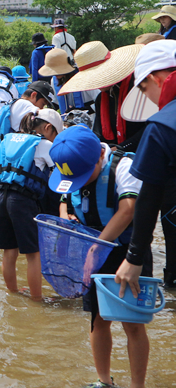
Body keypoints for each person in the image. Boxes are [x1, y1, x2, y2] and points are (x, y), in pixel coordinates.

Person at [48, 125, 148, 388]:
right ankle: (104, 381)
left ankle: (138, 385)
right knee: (97, 320)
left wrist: (95, 246)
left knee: (133, 325)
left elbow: (128, 210)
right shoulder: (71, 167)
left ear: (98, 158)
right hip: (93, 253)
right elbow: (65, 200)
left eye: (84, 175)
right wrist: (65, 217)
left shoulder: (123, 167)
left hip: (127, 255)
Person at [117, 40, 176, 295]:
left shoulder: (161, 127)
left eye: (143, 87)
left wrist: (133, 258)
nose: (147, 97)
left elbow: (148, 199)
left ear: (157, 78)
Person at [0, 109, 62, 302]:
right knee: (33, 253)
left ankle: (13, 291)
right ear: (48, 127)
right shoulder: (44, 145)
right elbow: (62, 169)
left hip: (1, 198)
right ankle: (37, 300)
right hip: (23, 201)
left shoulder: (8, 139)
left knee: (9, 250)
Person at [58, 41, 145, 151]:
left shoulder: (137, 88)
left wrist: (120, 148)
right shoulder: (101, 99)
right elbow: (98, 132)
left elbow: (150, 127)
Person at [38, 48, 98, 115]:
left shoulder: (84, 77)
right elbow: (56, 101)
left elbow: (100, 100)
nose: (54, 73)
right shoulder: (54, 80)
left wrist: (81, 111)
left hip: (89, 119)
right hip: (68, 121)